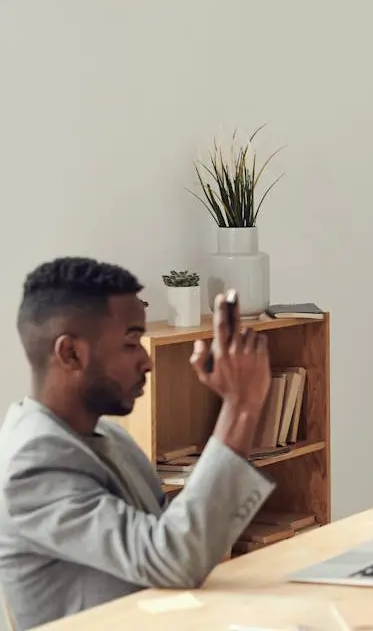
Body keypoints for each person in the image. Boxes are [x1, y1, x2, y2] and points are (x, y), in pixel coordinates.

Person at [0, 258, 275, 630]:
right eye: (132, 343)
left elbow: (177, 543)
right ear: (71, 354)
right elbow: (173, 559)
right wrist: (240, 406)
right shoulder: (32, 463)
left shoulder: (111, 436)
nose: (147, 361)